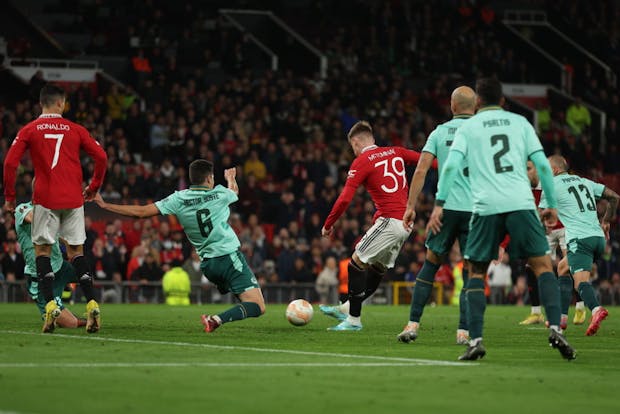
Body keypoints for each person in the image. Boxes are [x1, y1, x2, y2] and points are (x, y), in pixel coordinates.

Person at [428, 77, 576, 360]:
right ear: (504, 101)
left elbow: (449, 169)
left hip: (485, 206)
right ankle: (556, 328)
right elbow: (543, 165)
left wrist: (439, 204)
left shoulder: (469, 126)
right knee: (544, 266)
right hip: (521, 202)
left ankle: (476, 339)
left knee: (476, 271)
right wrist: (552, 204)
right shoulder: (520, 123)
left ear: (478, 103)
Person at [94, 159, 265, 332]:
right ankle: (215, 320)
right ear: (209, 178)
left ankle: (225, 303)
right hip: (228, 257)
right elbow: (234, 191)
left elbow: (141, 212)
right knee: (257, 305)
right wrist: (230, 178)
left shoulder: (178, 199)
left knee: (244, 298)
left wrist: (105, 205)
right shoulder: (220, 194)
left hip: (208, 266)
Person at [3, 84, 107, 333]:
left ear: (42, 103)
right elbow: (101, 157)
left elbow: (9, 163)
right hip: (73, 198)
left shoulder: (29, 129)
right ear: (61, 103)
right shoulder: (76, 129)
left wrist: (10, 197)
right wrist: (93, 187)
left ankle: (50, 305)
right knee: (76, 252)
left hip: (45, 199)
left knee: (43, 253)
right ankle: (92, 302)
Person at [320, 120, 429, 331]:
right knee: (377, 269)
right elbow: (426, 161)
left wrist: (328, 224)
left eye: (352, 146)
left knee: (356, 263)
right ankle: (347, 308)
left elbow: (344, 199)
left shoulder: (363, 161)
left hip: (390, 220)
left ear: (356, 141)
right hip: (406, 224)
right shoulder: (395, 151)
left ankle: (353, 320)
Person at [398, 86, 476, 345]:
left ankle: (412, 325)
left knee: (431, 264)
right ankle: (464, 331)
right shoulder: (483, 133)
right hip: (475, 211)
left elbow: (421, 170)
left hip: (445, 209)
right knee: (469, 270)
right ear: (474, 107)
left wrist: (411, 206)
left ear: (452, 106)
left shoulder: (440, 132)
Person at [540, 155, 618, 336]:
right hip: (598, 238)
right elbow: (614, 197)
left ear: (553, 170)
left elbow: (542, 214)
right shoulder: (585, 181)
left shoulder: (551, 186)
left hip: (580, 240)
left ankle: (596, 309)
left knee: (580, 283)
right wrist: (606, 221)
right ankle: (561, 318)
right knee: (562, 267)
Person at [517, 161, 585, 328]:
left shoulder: (549, 182)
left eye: (528, 168)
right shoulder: (526, 186)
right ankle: (536, 312)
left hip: (563, 227)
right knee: (531, 266)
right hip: (546, 230)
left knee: (571, 265)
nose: (525, 172)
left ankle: (580, 307)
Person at [14, 201, 86, 329]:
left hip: (61, 266)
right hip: (40, 275)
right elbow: (33, 219)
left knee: (86, 275)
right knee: (71, 324)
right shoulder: (22, 208)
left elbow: (62, 236)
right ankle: (69, 317)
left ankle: (80, 308)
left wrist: (72, 245)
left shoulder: (53, 211)